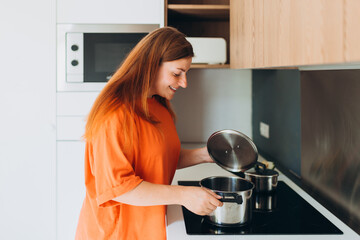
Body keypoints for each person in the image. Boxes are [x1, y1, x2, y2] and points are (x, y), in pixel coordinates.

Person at [75, 27, 223, 240]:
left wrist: (207, 154)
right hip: (116, 233)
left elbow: (159, 158)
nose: (184, 83)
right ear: (150, 65)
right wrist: (184, 195)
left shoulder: (157, 105)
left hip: (149, 227)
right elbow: (120, 188)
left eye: (186, 73)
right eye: (176, 73)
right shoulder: (115, 113)